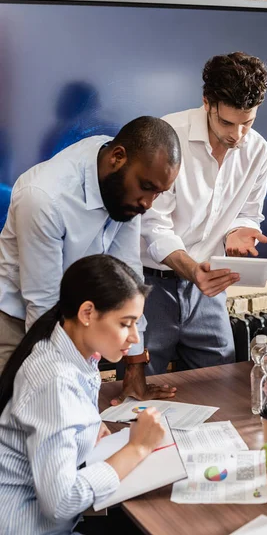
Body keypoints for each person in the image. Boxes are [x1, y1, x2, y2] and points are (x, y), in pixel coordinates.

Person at [115, 52, 267, 401]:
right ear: (207, 102)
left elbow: (248, 212)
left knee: (223, 391)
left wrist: (238, 231)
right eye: (229, 123)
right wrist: (191, 270)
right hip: (149, 287)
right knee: (136, 400)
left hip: (209, 292)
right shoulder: (168, 139)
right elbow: (153, 225)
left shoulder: (257, 150)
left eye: (248, 122)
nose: (239, 135)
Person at [0, 116, 181, 400]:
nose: (148, 204)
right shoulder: (44, 198)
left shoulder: (122, 181)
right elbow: (43, 306)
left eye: (158, 193)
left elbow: (128, 278)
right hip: (17, 319)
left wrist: (135, 370)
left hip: (73, 318)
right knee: (20, 420)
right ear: (117, 158)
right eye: (147, 187)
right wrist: (67, 401)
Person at [0, 254, 165, 535]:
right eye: (126, 323)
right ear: (87, 313)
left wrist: (88, 429)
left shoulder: (72, 354)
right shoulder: (55, 381)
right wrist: (137, 448)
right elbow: (62, 501)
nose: (135, 337)